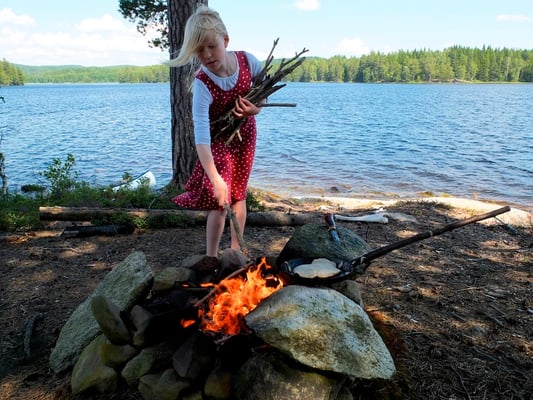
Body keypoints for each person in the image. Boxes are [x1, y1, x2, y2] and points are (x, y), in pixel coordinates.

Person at [168, 5, 264, 258]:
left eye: (212, 46)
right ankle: (211, 257)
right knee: (219, 201)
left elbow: (263, 93)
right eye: (199, 50)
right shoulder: (202, 84)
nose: (207, 54)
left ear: (226, 39)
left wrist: (256, 109)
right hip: (217, 142)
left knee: (239, 195)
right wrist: (215, 178)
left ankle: (234, 254)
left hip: (245, 137)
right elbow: (201, 137)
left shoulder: (248, 61)